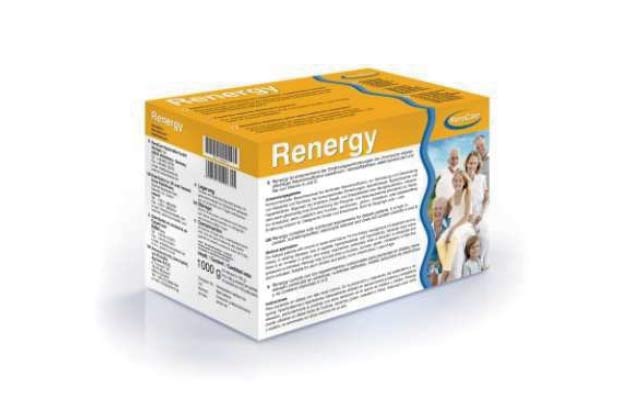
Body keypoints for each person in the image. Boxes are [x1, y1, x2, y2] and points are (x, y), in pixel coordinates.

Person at [436, 170, 476, 283]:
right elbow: (445, 210)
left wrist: (452, 229)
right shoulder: (452, 197)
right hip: (454, 225)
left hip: (464, 225)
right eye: (455, 181)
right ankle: (446, 268)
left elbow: (466, 216)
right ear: (452, 182)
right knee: (440, 243)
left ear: (464, 182)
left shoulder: (467, 193)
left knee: (454, 239)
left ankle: (446, 274)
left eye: (460, 181)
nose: (457, 183)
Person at [427, 197, 448, 286]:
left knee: (434, 273)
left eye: (440, 208)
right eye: (435, 209)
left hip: (441, 261)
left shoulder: (448, 227)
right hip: (428, 262)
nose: (437, 211)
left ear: (445, 211)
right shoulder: (428, 227)